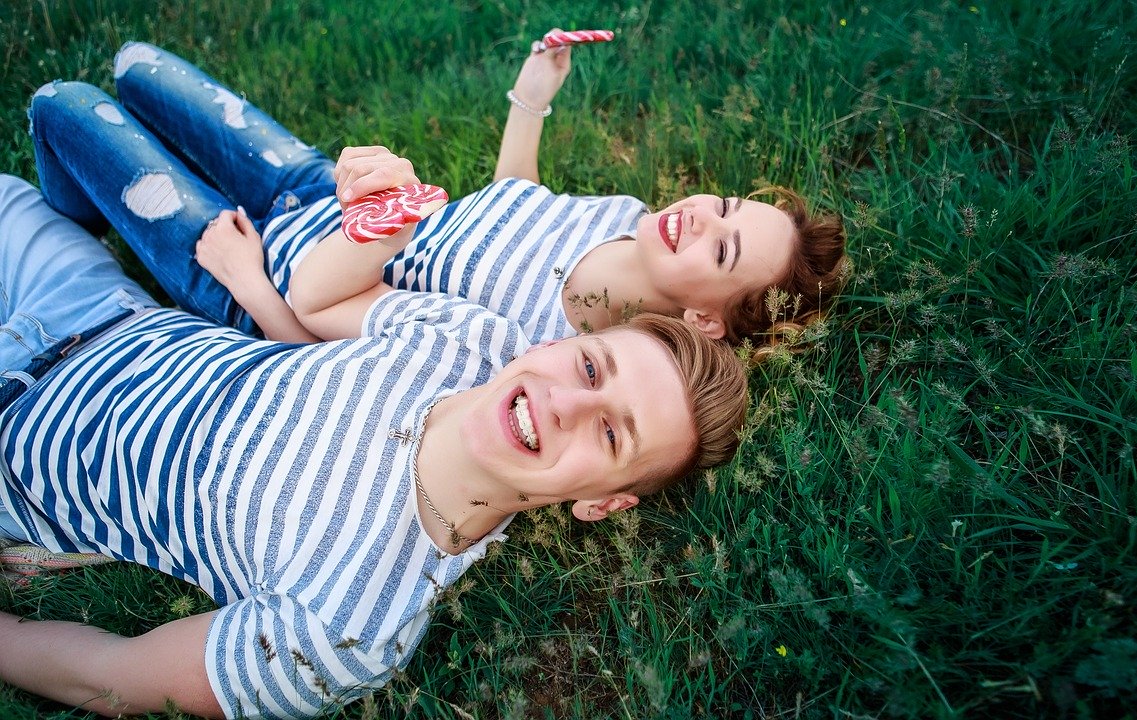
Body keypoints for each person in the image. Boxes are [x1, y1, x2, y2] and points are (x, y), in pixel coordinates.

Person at [0, 172, 747, 719]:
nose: (567, 403)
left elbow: (110, 675)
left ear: (600, 502)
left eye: (611, 432)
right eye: (591, 366)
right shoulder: (474, 338)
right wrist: (375, 223)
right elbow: (319, 304)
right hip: (98, 307)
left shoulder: (345, 632)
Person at [31, 40, 847, 347]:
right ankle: (101, 195)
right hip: (320, 190)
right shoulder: (624, 223)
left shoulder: (544, 348)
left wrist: (245, 282)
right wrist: (531, 98)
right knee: (137, 64)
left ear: (705, 319)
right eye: (729, 206)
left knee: (62, 105)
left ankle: (79, 213)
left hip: (253, 263)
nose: (703, 216)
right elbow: (514, 201)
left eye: (724, 246)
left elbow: (330, 342)